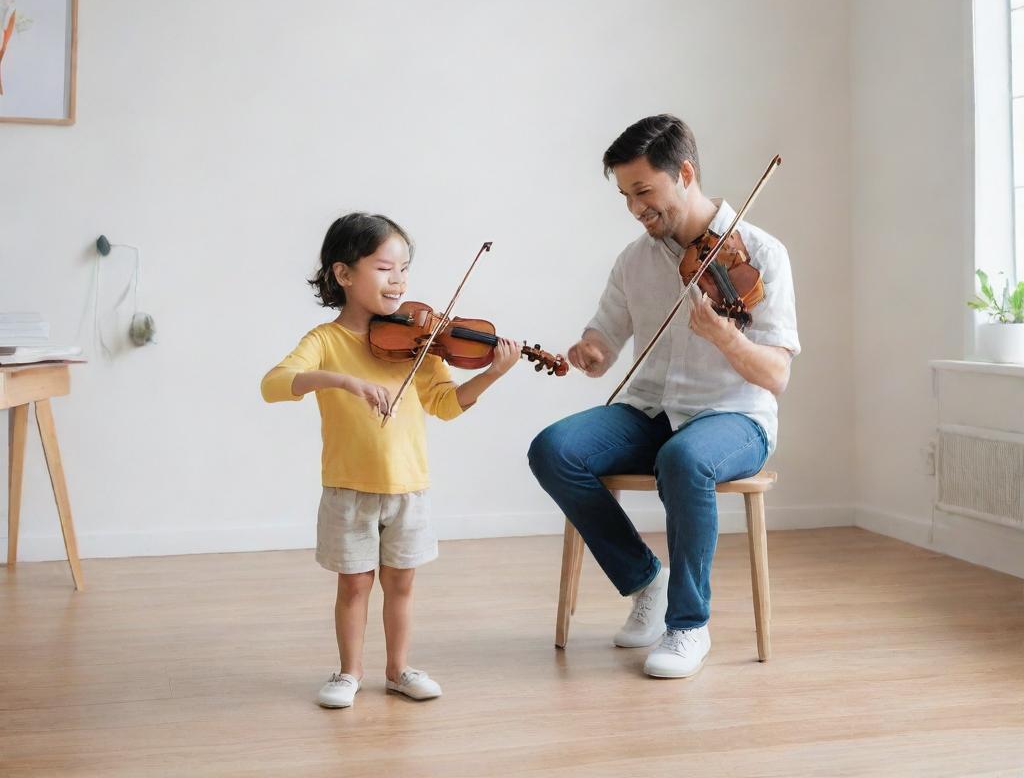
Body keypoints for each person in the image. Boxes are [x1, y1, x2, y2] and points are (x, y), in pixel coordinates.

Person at [529, 115, 799, 679]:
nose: (635, 208)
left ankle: (688, 625)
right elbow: (605, 332)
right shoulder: (635, 259)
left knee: (685, 458)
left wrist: (725, 335)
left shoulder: (761, 255)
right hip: (652, 409)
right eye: (626, 195)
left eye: (644, 191)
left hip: (734, 417)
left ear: (685, 173)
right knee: (554, 449)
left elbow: (775, 375)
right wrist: (592, 352)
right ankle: (645, 581)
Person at [262, 212, 519, 707]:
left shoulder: (420, 343)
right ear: (343, 274)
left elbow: (445, 406)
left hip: (408, 487)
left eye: (405, 269)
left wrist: (493, 374)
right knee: (355, 585)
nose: (399, 280)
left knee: (401, 584)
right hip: (348, 488)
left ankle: (399, 669)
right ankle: (348, 673)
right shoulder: (325, 342)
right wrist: (342, 380)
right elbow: (273, 384)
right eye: (385, 267)